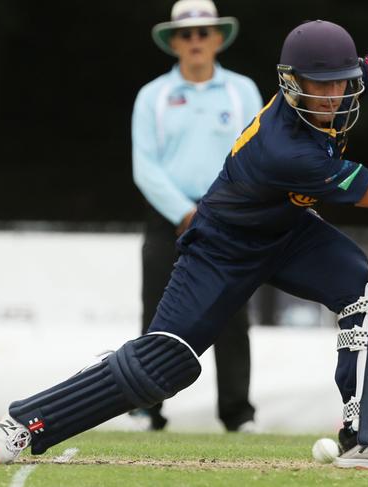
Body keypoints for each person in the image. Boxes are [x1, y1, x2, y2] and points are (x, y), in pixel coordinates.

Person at [0, 19, 368, 469]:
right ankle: (25, 422)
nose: (332, 97)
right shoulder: (287, 150)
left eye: (340, 84)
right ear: (291, 83)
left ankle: (366, 438)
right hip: (222, 247)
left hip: (289, 231)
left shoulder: (345, 75)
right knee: (164, 366)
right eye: (317, 87)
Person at [131, 0, 262, 432]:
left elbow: (257, 154)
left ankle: (238, 413)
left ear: (218, 38)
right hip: (170, 217)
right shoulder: (154, 96)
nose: (195, 41)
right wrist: (185, 212)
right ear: (174, 42)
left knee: (232, 315)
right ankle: (147, 408)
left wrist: (227, 207)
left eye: (203, 33)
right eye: (186, 35)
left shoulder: (241, 91)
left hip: (228, 217)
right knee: (157, 314)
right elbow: (145, 166)